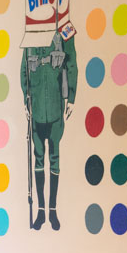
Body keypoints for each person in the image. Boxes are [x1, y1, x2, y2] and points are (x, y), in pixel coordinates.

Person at [21, 31, 78, 230]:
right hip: (36, 108)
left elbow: (71, 62)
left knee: (54, 158)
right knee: (38, 158)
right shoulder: (32, 28)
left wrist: (71, 97)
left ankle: (52, 211)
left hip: (55, 107)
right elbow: (24, 68)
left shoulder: (62, 27)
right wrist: (26, 99)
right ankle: (41, 211)